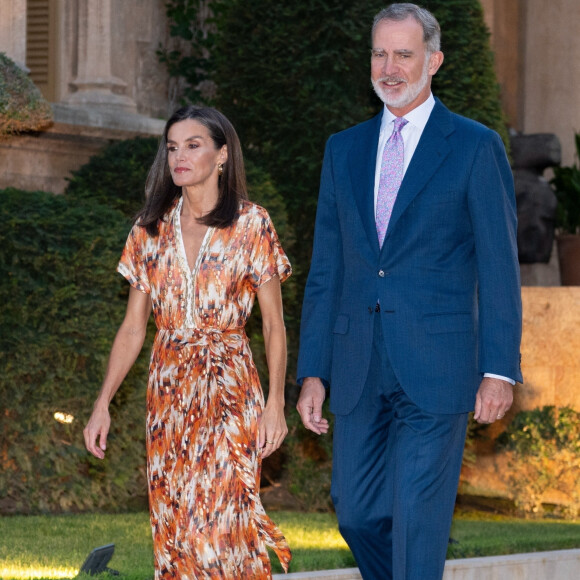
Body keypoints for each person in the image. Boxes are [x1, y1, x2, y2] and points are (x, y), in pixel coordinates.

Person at [296, 4, 522, 579]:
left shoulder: (474, 146)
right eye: (379, 53)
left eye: (404, 54)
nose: (389, 67)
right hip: (356, 363)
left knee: (418, 521)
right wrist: (313, 370)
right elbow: (327, 269)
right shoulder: (342, 149)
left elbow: (499, 267)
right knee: (357, 513)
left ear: (434, 61)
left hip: (438, 364)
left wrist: (499, 366)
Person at [84, 105, 292, 579]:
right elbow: (134, 327)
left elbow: (274, 325)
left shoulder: (252, 224)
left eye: (193, 145)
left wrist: (277, 402)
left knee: (223, 524)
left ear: (222, 155)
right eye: (173, 146)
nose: (179, 156)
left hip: (230, 386)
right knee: (176, 522)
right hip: (169, 390)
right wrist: (103, 402)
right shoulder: (149, 228)